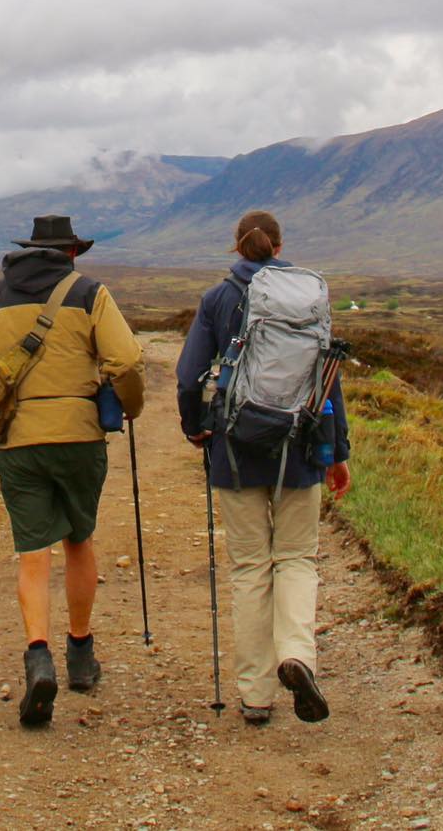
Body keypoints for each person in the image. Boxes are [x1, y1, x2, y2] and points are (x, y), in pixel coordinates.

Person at [175, 209, 351, 725]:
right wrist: (337, 452)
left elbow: (188, 376)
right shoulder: (311, 296)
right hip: (300, 449)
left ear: (237, 247)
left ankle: (255, 695)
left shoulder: (219, 298)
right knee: (297, 558)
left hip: (235, 449)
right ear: (279, 245)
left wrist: (194, 426)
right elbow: (328, 377)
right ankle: (296, 655)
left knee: (250, 567)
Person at [0, 214, 145, 727]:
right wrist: (131, 408)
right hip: (78, 436)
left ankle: (38, 655)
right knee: (79, 539)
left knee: (32, 554)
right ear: (71, 252)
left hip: (18, 439)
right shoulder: (89, 292)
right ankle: (80, 654)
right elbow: (125, 361)